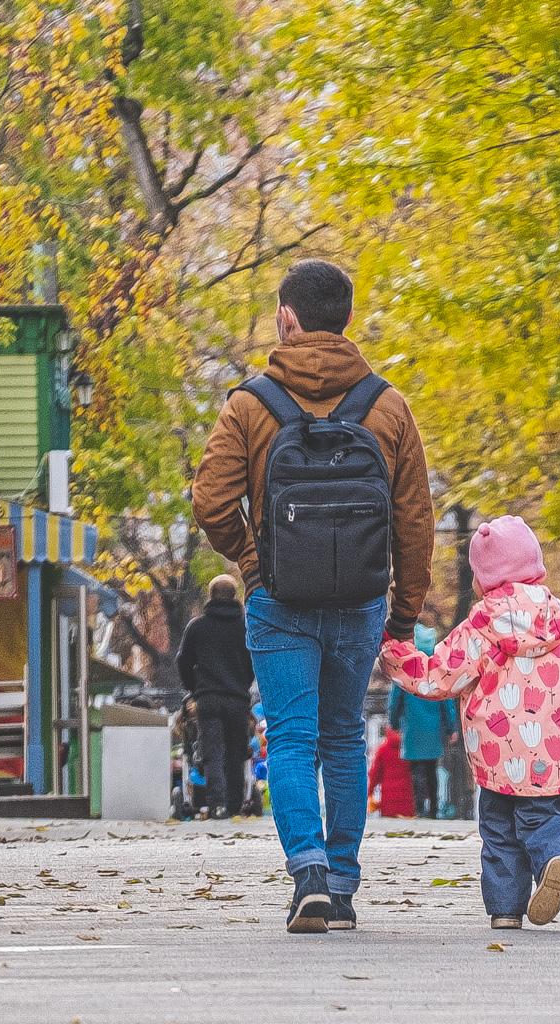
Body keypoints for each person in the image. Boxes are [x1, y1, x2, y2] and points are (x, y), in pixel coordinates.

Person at [192, 259, 435, 935]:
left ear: (286, 317)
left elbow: (211, 499)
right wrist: (404, 613)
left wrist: (253, 560)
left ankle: (308, 876)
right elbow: (415, 519)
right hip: (360, 600)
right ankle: (346, 884)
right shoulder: (387, 407)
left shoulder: (250, 404)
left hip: (280, 600)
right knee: (343, 740)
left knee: (292, 739)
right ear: (347, 320)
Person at [381, 516, 560, 929]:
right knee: (545, 815)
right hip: (552, 747)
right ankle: (555, 855)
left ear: (482, 578)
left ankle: (506, 910)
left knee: (498, 827)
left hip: (497, 750)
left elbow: (439, 675)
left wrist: (394, 654)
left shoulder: (481, 623)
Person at [176, 575, 254, 819]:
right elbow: (254, 661)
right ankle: (234, 805)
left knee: (213, 752)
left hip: (207, 699)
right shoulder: (245, 628)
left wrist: (194, 689)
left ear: (211, 596)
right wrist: (242, 684)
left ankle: (217, 805)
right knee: (236, 752)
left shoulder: (197, 626)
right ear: (234, 596)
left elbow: (183, 661)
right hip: (237, 699)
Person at [387, 624, 458, 818]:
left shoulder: (407, 669)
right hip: (433, 728)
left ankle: (420, 808)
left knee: (416, 769)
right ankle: (434, 809)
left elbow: (395, 701)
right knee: (432, 768)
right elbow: (447, 701)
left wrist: (393, 722)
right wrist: (451, 727)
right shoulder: (437, 669)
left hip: (412, 727)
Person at [367, 725, 416, 818]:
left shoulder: (383, 750)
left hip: (388, 800)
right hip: (407, 799)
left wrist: (369, 792)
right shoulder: (410, 749)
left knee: (390, 827)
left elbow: (374, 774)